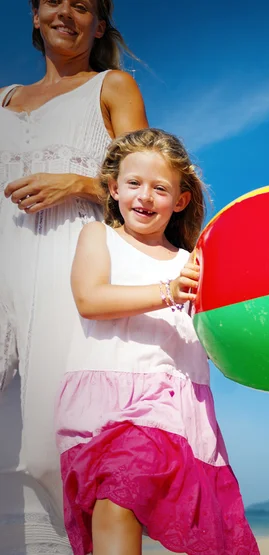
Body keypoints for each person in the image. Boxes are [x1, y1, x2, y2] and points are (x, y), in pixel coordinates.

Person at [56, 127, 259, 555]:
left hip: (172, 406)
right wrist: (169, 291)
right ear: (113, 189)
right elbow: (90, 298)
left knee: (122, 497)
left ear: (181, 200)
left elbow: (228, 333)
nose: (144, 197)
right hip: (103, 403)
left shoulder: (195, 263)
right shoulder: (100, 237)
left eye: (160, 188)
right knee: (112, 507)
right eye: (133, 184)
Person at [0, 1, 148, 552]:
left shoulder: (112, 87)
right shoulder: (4, 100)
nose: (66, 11)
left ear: (99, 25)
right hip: (2, 273)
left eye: (82, 5)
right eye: (53, 1)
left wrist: (81, 184)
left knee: (50, 443)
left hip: (70, 271)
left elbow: (146, 177)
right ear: (35, 17)